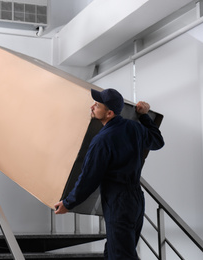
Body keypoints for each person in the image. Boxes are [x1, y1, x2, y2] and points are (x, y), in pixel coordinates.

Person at [54, 88, 164, 260]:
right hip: (136, 200)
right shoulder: (134, 127)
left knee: (120, 255)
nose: (92, 107)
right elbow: (157, 141)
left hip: (118, 202)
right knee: (114, 251)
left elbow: (88, 178)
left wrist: (68, 203)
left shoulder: (102, 140)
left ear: (109, 113)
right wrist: (144, 116)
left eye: (97, 105)